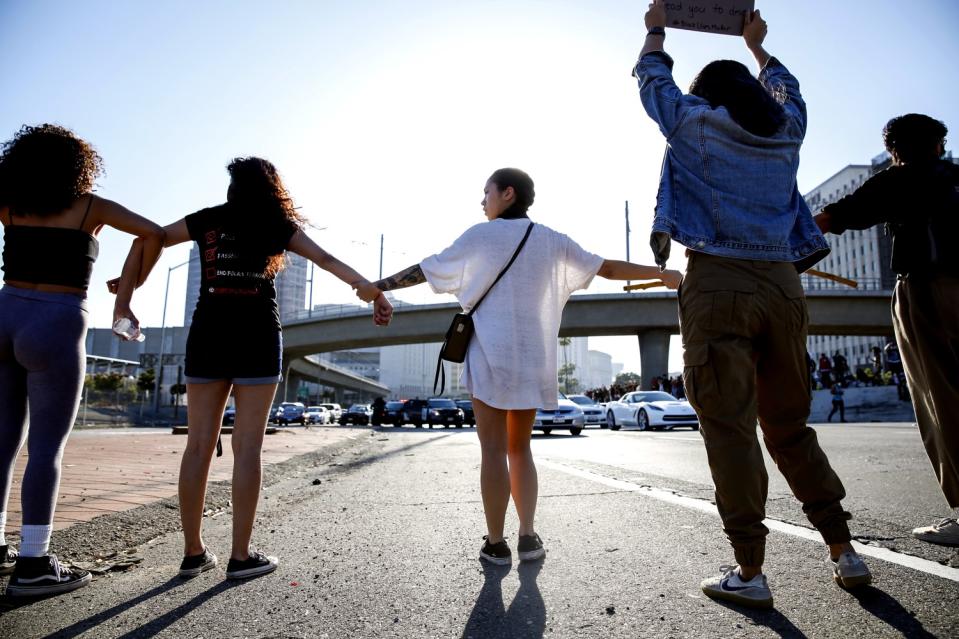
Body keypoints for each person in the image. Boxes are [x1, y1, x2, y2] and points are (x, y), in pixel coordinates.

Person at [635, 1, 872, 609]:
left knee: (731, 430)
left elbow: (652, 81)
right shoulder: (786, 132)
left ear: (705, 95)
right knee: (789, 426)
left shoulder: (691, 122)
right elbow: (790, 93)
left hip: (717, 283)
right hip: (782, 286)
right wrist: (758, 45)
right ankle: (844, 551)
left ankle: (750, 569)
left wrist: (656, 27)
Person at [367, 167, 681, 565]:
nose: (482, 201)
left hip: (490, 356)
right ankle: (528, 537)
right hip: (532, 357)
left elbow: (426, 269)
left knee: (493, 451)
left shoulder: (480, 236)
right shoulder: (551, 239)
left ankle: (496, 543)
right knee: (520, 449)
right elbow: (607, 268)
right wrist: (660, 274)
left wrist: (379, 285)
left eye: (486, 193)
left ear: (508, 194)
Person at [130, 157, 391, 580]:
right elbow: (325, 259)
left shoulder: (208, 218)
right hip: (256, 334)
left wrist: (132, 284)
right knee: (247, 449)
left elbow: (154, 236)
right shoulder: (275, 223)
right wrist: (370, 289)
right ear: (272, 188)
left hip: (209, 331)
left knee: (198, 446)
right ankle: (240, 556)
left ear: (232, 187)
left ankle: (193, 552)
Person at [0, 124, 164, 597]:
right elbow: (152, 234)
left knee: (1, 443)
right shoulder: (91, 206)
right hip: (56, 319)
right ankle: (33, 563)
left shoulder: (9, 202)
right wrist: (129, 289)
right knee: (45, 449)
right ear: (78, 165)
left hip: (4, 311)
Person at [815, 113, 959, 547]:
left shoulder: (895, 181)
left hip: (928, 288)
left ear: (895, 150)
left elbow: (831, 219)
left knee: (943, 397)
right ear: (939, 144)